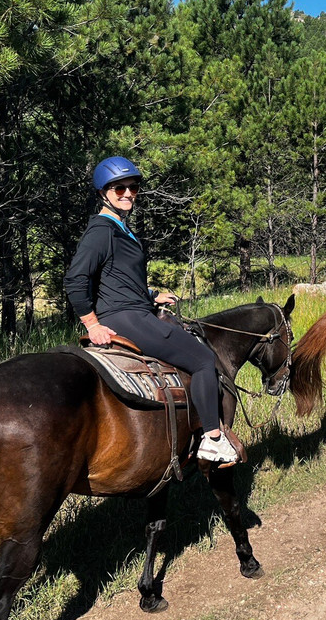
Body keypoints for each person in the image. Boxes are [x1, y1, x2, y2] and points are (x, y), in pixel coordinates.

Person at [63, 156, 238, 464]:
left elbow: (119, 276)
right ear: (103, 193)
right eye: (119, 189)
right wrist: (92, 324)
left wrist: (153, 295)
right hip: (127, 317)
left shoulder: (120, 228)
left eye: (133, 188)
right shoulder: (101, 231)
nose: (128, 194)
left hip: (136, 308)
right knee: (203, 360)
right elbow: (76, 280)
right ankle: (213, 439)